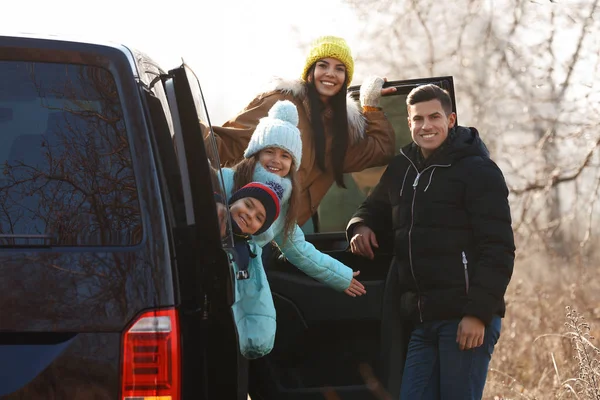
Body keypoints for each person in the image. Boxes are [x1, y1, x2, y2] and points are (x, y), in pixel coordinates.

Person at [347, 83, 516, 399]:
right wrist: (361, 226)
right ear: (409, 123)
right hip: (422, 322)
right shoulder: (402, 168)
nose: (426, 126)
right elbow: (372, 206)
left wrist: (477, 314)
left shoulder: (478, 171)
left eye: (434, 117)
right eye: (418, 119)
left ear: (451, 120)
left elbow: (499, 249)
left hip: (465, 319)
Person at [210, 35, 397, 228]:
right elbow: (226, 144)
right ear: (311, 70)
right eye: (323, 65)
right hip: (244, 220)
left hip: (283, 234)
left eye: (339, 69)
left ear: (346, 78)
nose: (330, 74)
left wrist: (370, 105)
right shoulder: (279, 102)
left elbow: (380, 151)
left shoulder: (341, 130)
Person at [222, 99, 366, 297]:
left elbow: (300, 250)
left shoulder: (283, 205)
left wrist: (340, 275)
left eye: (285, 156)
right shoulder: (227, 179)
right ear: (256, 153)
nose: (276, 160)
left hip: (242, 282)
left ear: (292, 164)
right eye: (269, 151)